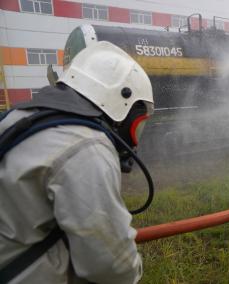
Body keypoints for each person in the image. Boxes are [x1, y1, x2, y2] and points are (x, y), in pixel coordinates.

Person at [0, 41, 154, 283]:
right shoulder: (86, 147)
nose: (133, 143)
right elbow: (111, 266)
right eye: (138, 126)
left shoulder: (18, 118)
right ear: (121, 103)